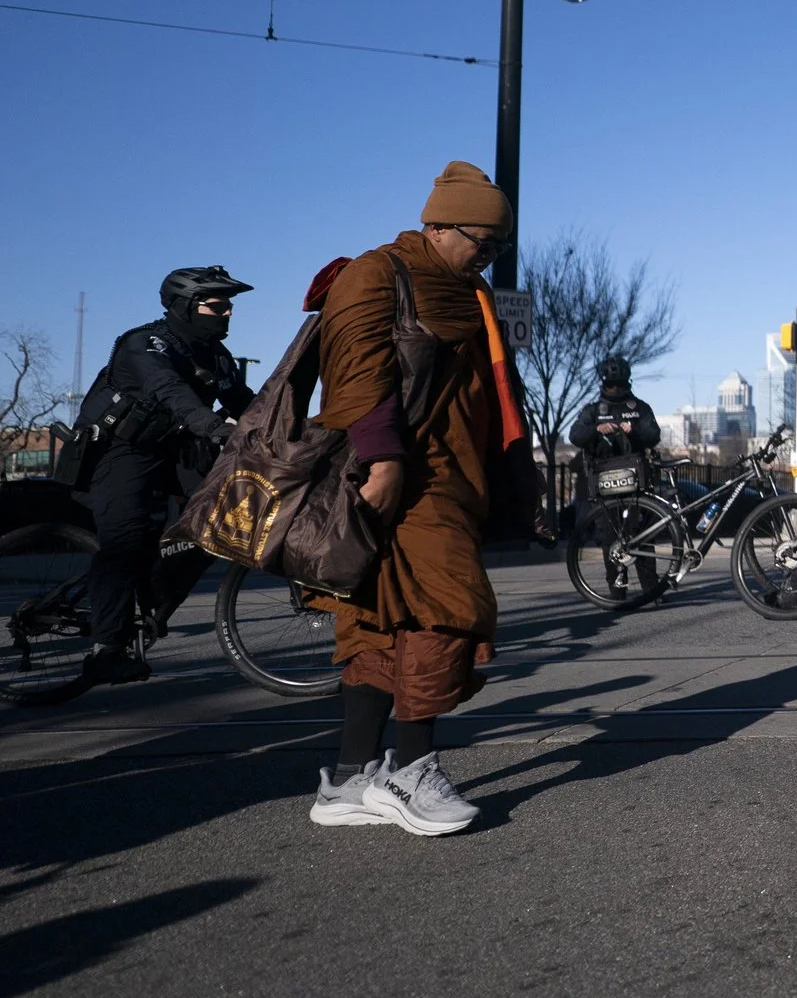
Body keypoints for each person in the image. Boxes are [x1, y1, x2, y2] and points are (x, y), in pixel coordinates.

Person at [306, 161, 527, 837]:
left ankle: (347, 779)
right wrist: (381, 456)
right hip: (402, 475)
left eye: (496, 246)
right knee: (450, 608)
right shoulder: (377, 272)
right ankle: (411, 768)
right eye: (478, 240)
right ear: (435, 225)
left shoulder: (471, 291)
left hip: (452, 480)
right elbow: (354, 363)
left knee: (378, 621)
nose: (486, 255)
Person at [67, 267, 255, 683]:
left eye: (230, 306)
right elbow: (171, 391)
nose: (227, 313)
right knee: (125, 541)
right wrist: (213, 426)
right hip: (121, 450)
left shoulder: (217, 357)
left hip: (173, 450)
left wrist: (297, 433)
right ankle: (107, 649)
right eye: (218, 305)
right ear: (187, 306)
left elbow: (248, 404)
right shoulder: (145, 343)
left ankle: (156, 597)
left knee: (221, 512)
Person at [566, 356, 660, 519]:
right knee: (607, 532)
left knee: (641, 531)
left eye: (620, 384)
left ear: (627, 383)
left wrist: (633, 431)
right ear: (604, 385)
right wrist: (596, 429)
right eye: (611, 385)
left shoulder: (640, 408)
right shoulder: (593, 411)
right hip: (603, 481)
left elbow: (654, 436)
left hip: (636, 481)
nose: (615, 389)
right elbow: (575, 436)